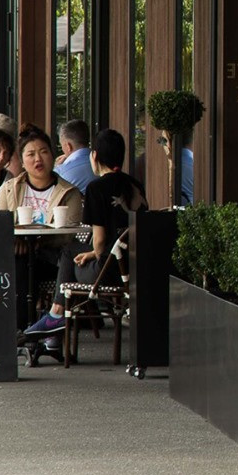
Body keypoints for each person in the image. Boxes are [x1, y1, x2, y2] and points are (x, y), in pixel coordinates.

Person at [24, 128, 143, 339]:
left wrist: (91, 253)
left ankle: (56, 315)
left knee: (69, 252)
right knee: (75, 255)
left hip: (106, 272)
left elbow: (99, 243)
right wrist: (91, 253)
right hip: (134, 269)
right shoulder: (135, 185)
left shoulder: (96, 189)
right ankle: (55, 323)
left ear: (95, 156)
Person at [0, 126, 84, 225]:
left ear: (52, 156)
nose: (38, 159)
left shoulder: (69, 192)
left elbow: (68, 233)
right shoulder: (9, 189)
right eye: (31, 154)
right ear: (22, 162)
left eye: (44, 152)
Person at [55, 118, 95, 192]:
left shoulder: (60, 173)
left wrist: (56, 168)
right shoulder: (103, 165)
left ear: (68, 146)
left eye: (62, 146)